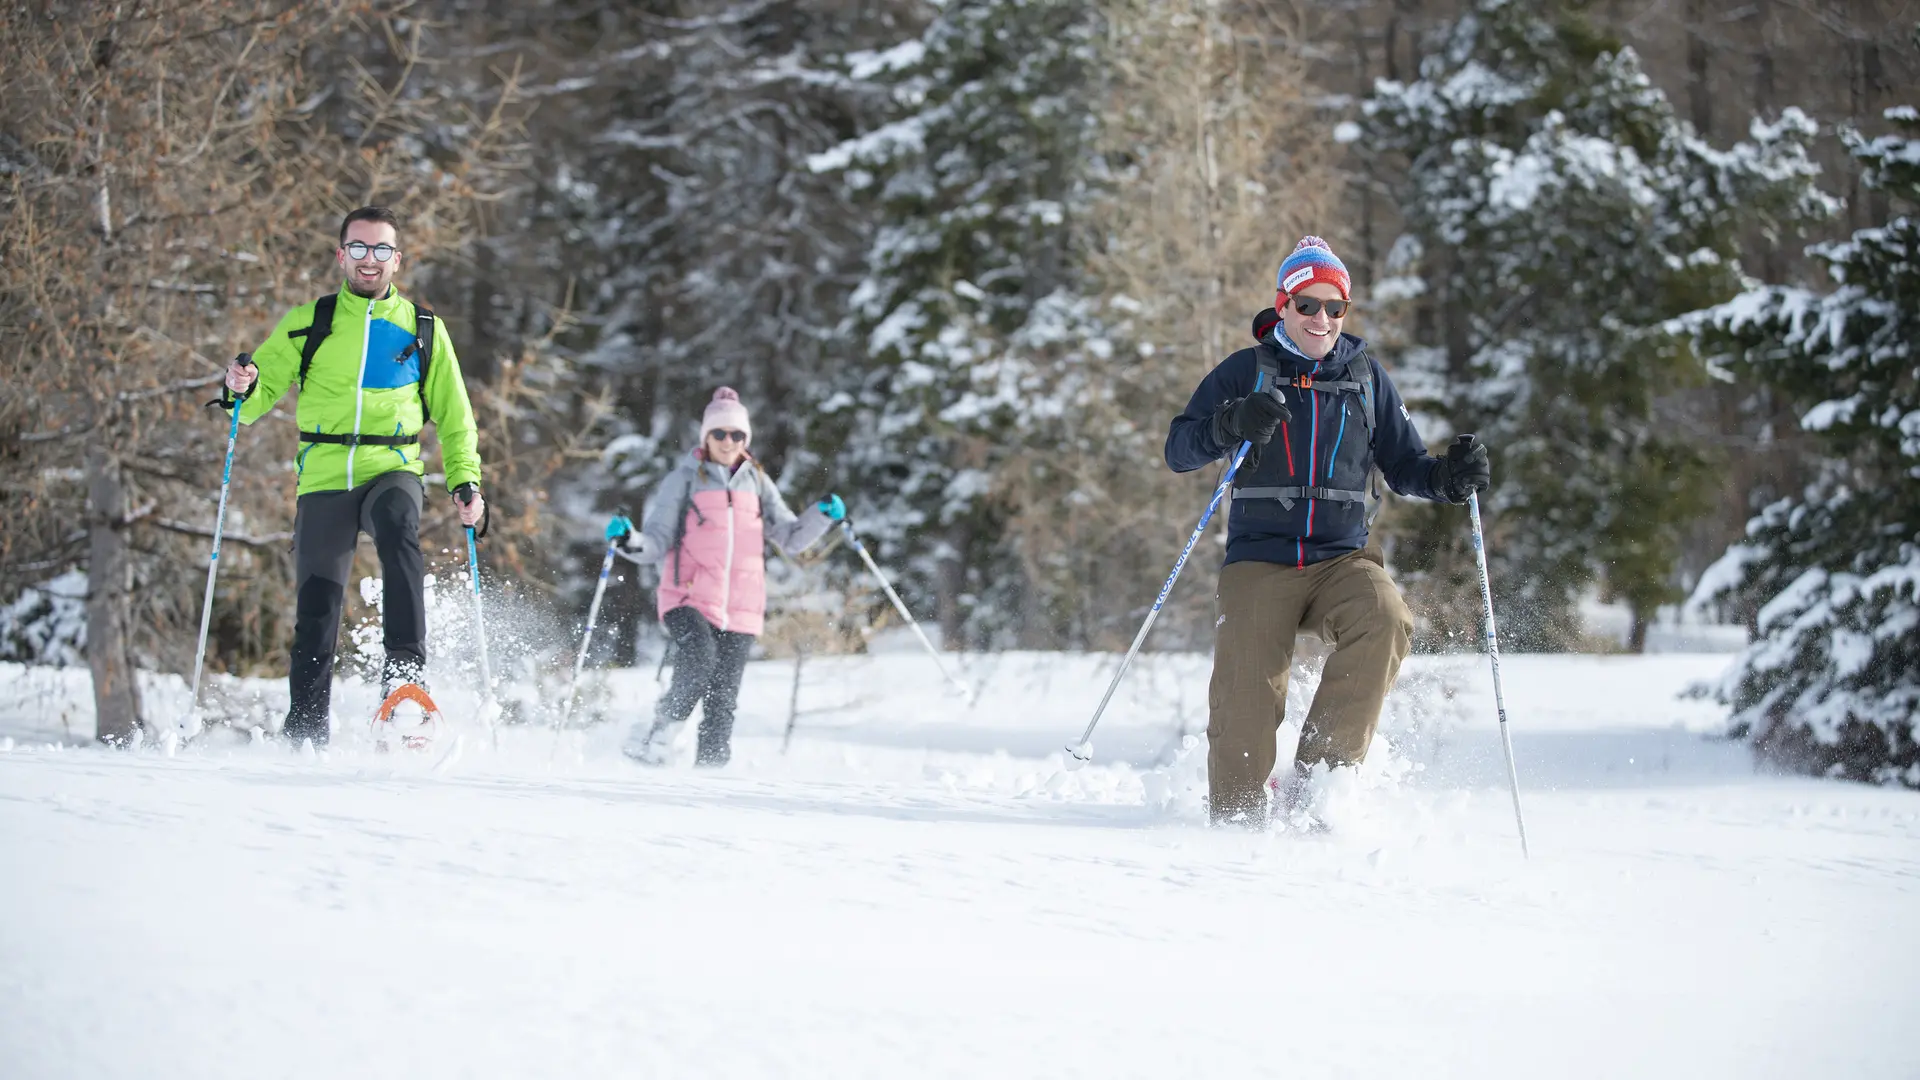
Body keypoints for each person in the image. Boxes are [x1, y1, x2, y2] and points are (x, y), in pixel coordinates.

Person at [1164, 236, 1492, 826]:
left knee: (1386, 616)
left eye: (1334, 308)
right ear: (1283, 305)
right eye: (1308, 305)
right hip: (1261, 560)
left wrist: (1447, 477)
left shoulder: (1366, 378)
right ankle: (1238, 817)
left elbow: (1406, 466)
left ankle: (1318, 788)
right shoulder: (1247, 371)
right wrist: (1230, 422)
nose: (1321, 319)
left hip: (1343, 558)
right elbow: (1180, 449)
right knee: (1247, 684)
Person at [220, 206, 487, 747]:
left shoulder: (422, 329)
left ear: (397, 259)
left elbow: (456, 416)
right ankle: (305, 731)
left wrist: (466, 482)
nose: (371, 259)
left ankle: (405, 684)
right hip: (323, 475)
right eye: (360, 248)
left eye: (382, 249)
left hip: (394, 466)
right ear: (342, 254)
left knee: (398, 529)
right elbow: (250, 402)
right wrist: (240, 386)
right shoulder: (310, 322)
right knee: (317, 607)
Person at [606, 387, 843, 766]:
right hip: (688, 598)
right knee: (699, 657)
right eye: (719, 433)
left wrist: (822, 515)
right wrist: (627, 539)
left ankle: (711, 778)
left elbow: (791, 537)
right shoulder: (683, 481)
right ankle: (658, 736)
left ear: (746, 439)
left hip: (743, 606)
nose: (728, 442)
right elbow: (655, 542)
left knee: (723, 700)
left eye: (737, 435)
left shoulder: (758, 483)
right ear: (706, 437)